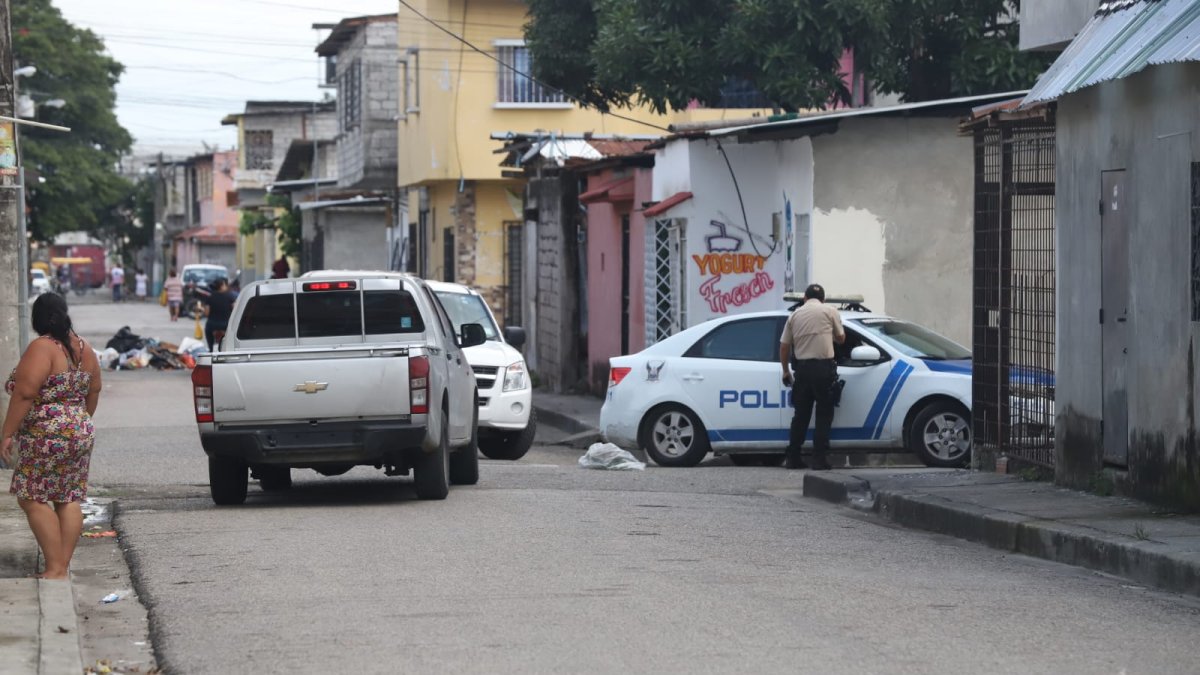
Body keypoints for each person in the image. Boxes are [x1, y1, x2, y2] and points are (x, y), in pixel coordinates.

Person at [0, 293, 101, 580]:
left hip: (46, 433)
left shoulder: (43, 347)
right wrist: (78, 422)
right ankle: (60, 567)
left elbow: (25, 393)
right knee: (67, 496)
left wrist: (7, 433)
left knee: (31, 497)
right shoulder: (85, 349)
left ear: (38, 319)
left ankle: (55, 568)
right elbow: (94, 391)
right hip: (79, 429)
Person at [779, 283, 845, 471]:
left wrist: (785, 371)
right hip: (823, 369)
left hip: (802, 371)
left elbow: (784, 346)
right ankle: (818, 459)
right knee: (824, 414)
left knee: (801, 415)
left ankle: (793, 457)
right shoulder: (830, 311)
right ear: (823, 299)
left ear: (805, 299)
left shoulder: (794, 315)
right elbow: (841, 339)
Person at [202, 277, 236, 351]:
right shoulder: (230, 296)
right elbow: (235, 311)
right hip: (225, 325)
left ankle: (211, 349)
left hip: (212, 325)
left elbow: (207, 313)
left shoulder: (210, 297)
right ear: (222, 285)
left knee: (208, 331)